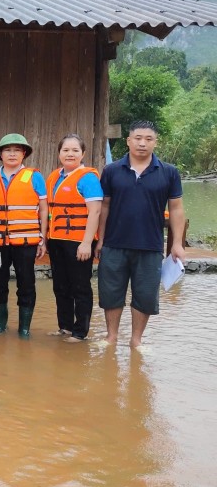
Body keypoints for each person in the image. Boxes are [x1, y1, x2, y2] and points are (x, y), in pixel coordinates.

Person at [96, 120, 185, 349]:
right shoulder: (112, 170)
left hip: (150, 245)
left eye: (148, 139)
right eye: (137, 138)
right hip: (115, 243)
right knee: (111, 293)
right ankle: (111, 337)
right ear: (128, 140)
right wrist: (101, 240)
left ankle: (136, 341)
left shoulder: (169, 172)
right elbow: (104, 206)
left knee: (145, 296)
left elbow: (176, 208)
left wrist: (177, 244)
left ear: (155, 142)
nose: (142, 143)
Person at [0, 133, 48, 338]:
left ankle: (24, 329)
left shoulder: (35, 176)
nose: (12, 154)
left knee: (26, 284)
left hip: (25, 242)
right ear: (0, 154)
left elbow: (43, 209)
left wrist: (42, 237)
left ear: (24, 153)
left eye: (17, 150)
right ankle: (0, 327)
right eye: (7, 150)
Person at [45, 133, 103, 343]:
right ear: (59, 153)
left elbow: (95, 212)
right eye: (66, 150)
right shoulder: (54, 176)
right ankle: (65, 327)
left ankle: (80, 332)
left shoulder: (88, 178)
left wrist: (87, 242)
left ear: (83, 154)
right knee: (60, 285)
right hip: (57, 240)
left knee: (80, 286)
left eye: (75, 150)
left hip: (79, 241)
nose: (70, 154)